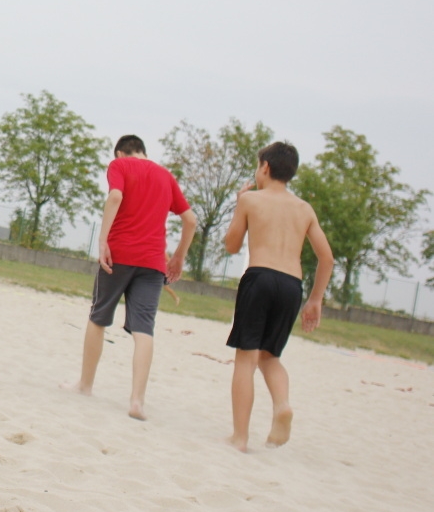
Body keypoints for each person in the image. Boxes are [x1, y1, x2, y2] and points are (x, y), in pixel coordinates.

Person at [64, 135, 197, 420]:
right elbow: (190, 219)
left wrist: (102, 241)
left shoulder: (119, 165)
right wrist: (178, 257)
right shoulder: (165, 176)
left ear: (121, 152)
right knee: (144, 329)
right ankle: (137, 400)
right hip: (152, 262)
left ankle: (85, 385)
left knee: (98, 316)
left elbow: (115, 197)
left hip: (118, 255)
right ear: (143, 150)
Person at [221, 141, 333, 452]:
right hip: (291, 285)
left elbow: (231, 245)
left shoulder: (251, 200)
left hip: (260, 277)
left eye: (258, 166)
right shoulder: (304, 209)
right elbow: (327, 258)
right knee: (271, 357)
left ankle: (240, 437)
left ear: (266, 168)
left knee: (246, 357)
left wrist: (239, 203)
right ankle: (281, 404)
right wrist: (315, 300)